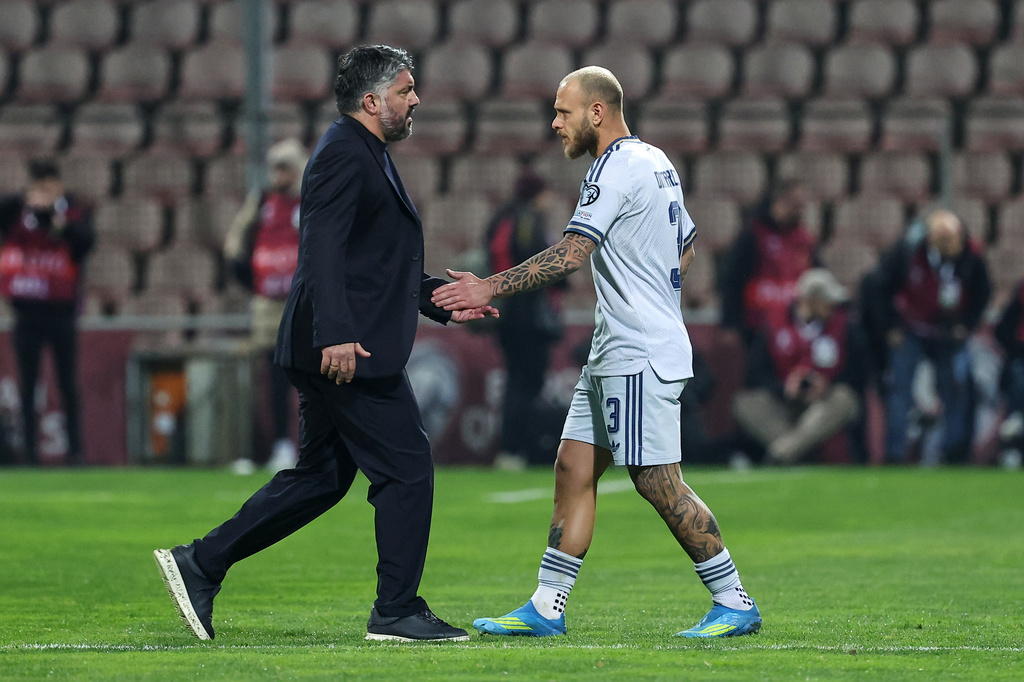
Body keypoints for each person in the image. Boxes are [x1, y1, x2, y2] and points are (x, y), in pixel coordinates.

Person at [154, 44, 496, 643]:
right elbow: (321, 251)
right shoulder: (343, 153)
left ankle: (201, 563)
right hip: (345, 349)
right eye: (406, 91)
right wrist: (335, 334)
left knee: (320, 478)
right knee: (408, 470)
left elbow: (371, 265)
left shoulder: (362, 151)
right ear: (372, 101)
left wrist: (440, 298)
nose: (416, 100)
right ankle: (396, 610)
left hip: (338, 342)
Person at [432, 66, 761, 638]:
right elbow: (686, 244)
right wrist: (655, 294)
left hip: (636, 351)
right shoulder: (657, 161)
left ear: (598, 112)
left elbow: (571, 253)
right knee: (573, 467)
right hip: (619, 349)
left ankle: (734, 599)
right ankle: (547, 606)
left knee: (657, 480)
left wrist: (489, 286)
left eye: (563, 112)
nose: (555, 123)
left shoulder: (612, 168)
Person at [871, 208, 991, 464]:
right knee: (900, 389)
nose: (950, 245)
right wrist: (889, 328)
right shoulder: (906, 252)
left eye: (954, 239)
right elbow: (877, 286)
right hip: (910, 329)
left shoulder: (972, 258)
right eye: (943, 239)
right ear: (931, 238)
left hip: (948, 333)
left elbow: (983, 294)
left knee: (956, 389)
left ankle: (954, 452)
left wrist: (967, 326)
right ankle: (895, 454)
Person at [0, 159, 94, 466]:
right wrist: (24, 202)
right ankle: (29, 454)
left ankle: (76, 452)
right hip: (26, 312)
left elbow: (86, 243)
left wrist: (59, 221)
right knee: (28, 385)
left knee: (68, 384)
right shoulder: (15, 211)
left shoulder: (72, 213)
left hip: (62, 313)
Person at [223, 138, 308, 474]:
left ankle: (316, 447)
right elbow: (235, 241)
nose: (279, 174)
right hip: (270, 306)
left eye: (285, 167)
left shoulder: (313, 199)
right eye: (275, 168)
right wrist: (249, 279)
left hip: (307, 303)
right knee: (274, 377)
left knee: (313, 379)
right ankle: (280, 445)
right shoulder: (262, 201)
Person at [732, 268, 868, 465]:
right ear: (811, 299)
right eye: (827, 300)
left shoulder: (844, 326)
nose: (833, 305)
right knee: (744, 403)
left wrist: (825, 385)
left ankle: (782, 453)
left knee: (844, 399)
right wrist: (785, 388)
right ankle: (797, 449)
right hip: (783, 404)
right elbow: (756, 373)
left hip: (821, 405)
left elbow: (858, 374)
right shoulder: (774, 323)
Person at [484, 170, 564, 469]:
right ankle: (517, 448)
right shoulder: (528, 219)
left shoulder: (501, 217)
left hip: (508, 314)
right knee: (527, 383)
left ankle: (512, 449)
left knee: (516, 382)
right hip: (527, 317)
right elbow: (538, 264)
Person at [719, 179, 816, 345]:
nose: (799, 210)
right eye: (795, 203)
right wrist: (730, 323)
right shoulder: (753, 235)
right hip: (758, 327)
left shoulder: (805, 240)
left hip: (796, 327)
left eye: (801, 205)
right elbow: (733, 280)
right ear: (779, 200)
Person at [993, 278, 1024, 469]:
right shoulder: (1021, 293)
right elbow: (1002, 330)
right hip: (1020, 361)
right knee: (1018, 377)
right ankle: (1012, 449)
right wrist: (1018, 351)